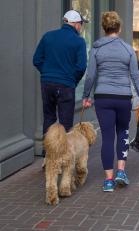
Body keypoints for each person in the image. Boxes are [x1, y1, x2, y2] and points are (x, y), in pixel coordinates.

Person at [82, 11, 139, 192]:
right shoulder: (127, 49)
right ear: (119, 27)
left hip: (103, 98)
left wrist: (86, 96)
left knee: (107, 137)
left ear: (104, 27)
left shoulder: (96, 48)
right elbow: (135, 75)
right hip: (123, 98)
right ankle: (121, 172)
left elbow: (91, 75)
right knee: (123, 132)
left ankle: (108, 181)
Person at [33, 10, 87, 156]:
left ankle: (48, 155)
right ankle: (64, 156)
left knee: (49, 118)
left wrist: (47, 73)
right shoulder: (79, 41)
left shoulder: (48, 36)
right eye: (81, 24)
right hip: (66, 85)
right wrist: (72, 80)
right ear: (76, 24)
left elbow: (36, 60)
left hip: (47, 83)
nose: (81, 27)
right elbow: (81, 67)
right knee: (66, 122)